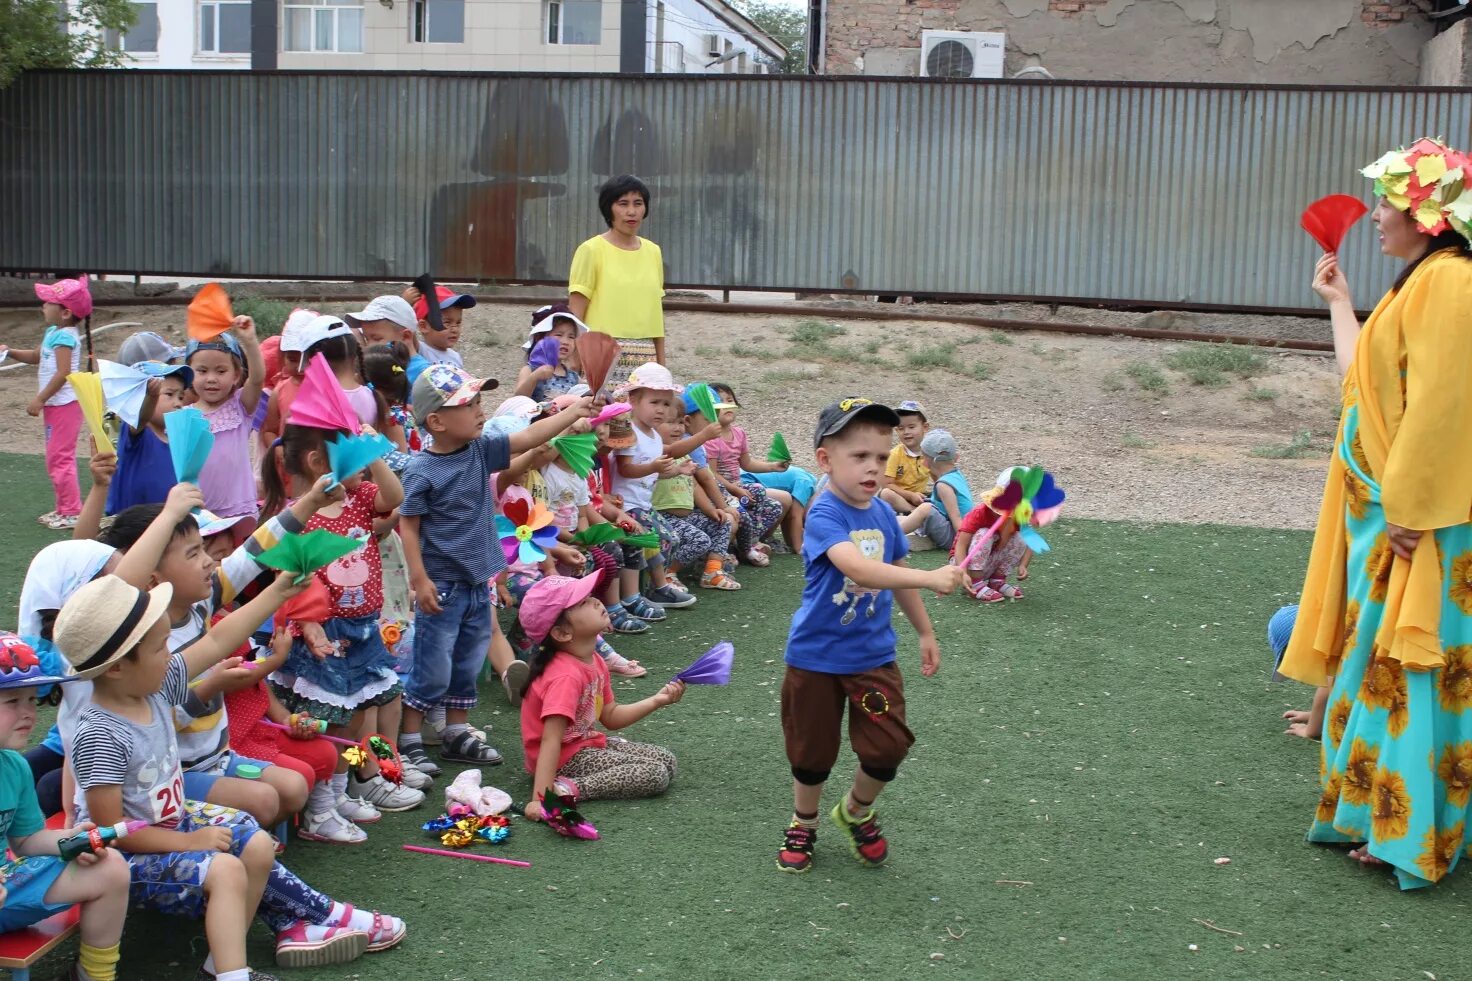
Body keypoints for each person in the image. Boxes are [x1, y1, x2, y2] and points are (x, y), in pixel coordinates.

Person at [1279, 137, 1472, 889]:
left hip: (1420, 521)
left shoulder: (1449, 282)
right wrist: (1340, 303)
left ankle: (1410, 834)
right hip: (1392, 517)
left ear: (1427, 215)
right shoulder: (1420, 280)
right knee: (1381, 663)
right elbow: (1368, 383)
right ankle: (1379, 815)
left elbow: (1444, 406)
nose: (1378, 215)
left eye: (1390, 203)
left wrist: (1415, 508)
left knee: (1412, 668)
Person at [57, 575, 405, 977]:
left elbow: (218, 641)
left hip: (168, 826)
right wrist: (190, 841)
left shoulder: (151, 687)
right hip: (123, 860)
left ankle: (221, 965)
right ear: (117, 668)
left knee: (255, 842)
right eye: (159, 648)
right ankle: (236, 973)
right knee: (225, 867)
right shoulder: (101, 735)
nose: (170, 657)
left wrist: (279, 592)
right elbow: (112, 832)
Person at [776, 399, 966, 874]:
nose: (873, 468)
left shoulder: (882, 514)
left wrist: (924, 630)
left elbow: (895, 568)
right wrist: (930, 577)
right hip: (815, 659)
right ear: (825, 460)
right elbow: (860, 568)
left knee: (888, 747)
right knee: (811, 750)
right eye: (859, 457)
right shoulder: (825, 515)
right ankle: (804, 820)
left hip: (872, 660)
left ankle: (856, 810)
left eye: (881, 458)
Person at [396, 364, 591, 775]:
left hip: (475, 581)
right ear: (436, 421)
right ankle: (409, 738)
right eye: (468, 405)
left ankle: (456, 732)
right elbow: (408, 525)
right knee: (433, 666)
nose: (480, 410)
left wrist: (572, 414)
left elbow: (528, 437)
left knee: (466, 662)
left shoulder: (480, 450)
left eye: (479, 401)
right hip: (443, 584)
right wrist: (419, 578)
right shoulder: (420, 470)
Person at [261, 420, 427, 816]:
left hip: (365, 626)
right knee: (340, 722)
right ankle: (341, 792)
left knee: (371, 706)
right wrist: (312, 626)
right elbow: (294, 581)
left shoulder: (360, 497)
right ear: (319, 463)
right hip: (329, 634)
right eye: (355, 459)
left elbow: (395, 495)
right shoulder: (299, 517)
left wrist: (371, 451)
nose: (365, 469)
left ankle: (379, 772)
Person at [0, 632, 131, 981]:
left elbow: (26, 841)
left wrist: (68, 840)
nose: (29, 712)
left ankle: (93, 975)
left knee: (112, 867)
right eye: (12, 702)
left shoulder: (14, 767)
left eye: (32, 699)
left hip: (8, 888)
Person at [518, 574, 682, 821]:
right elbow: (551, 740)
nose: (596, 601)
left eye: (590, 596)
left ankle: (571, 783)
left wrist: (657, 700)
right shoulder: (565, 677)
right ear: (562, 633)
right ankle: (567, 789)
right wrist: (540, 798)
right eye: (583, 602)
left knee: (666, 760)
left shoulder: (594, 660)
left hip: (586, 745)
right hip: (564, 759)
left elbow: (611, 715)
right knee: (655, 773)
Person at [0, 275, 91, 529]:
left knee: (60, 458)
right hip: (57, 406)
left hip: (65, 406)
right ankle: (64, 509)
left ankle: (72, 511)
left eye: (48, 302)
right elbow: (36, 357)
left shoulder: (66, 338)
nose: (43, 306)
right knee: (55, 458)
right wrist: (9, 352)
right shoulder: (53, 332)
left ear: (65, 313)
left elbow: (63, 373)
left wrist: (40, 399)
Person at [568, 175, 667, 388]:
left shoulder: (653, 252)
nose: (631, 211)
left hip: (645, 357)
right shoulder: (591, 250)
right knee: (601, 418)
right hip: (601, 354)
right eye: (623, 204)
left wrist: (661, 364)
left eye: (638, 204)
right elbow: (576, 311)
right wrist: (577, 358)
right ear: (609, 209)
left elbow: (656, 311)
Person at [612, 362, 694, 615]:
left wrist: (674, 471)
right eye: (654, 402)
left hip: (643, 503)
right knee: (661, 539)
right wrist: (654, 468)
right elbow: (625, 469)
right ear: (634, 400)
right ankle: (648, 590)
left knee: (668, 540)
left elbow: (655, 471)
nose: (661, 410)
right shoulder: (629, 431)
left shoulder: (655, 437)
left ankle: (657, 586)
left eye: (666, 404)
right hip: (626, 504)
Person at [696, 383, 794, 563]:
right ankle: (746, 547)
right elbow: (711, 474)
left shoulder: (739, 433)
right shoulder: (711, 439)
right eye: (720, 402)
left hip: (737, 488)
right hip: (719, 491)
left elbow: (746, 463)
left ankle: (746, 543)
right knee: (749, 502)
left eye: (730, 400)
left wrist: (773, 466)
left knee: (773, 505)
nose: (727, 405)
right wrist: (735, 489)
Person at [184, 319, 266, 522]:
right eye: (202, 371)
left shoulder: (240, 407)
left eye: (221, 371)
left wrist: (250, 341)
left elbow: (257, 379)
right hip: (198, 512)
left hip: (238, 511)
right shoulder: (183, 415)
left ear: (236, 375)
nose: (211, 378)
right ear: (188, 373)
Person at [653, 418, 740, 591]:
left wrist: (712, 510)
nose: (677, 428)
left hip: (685, 516)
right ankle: (668, 572)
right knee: (700, 540)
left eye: (680, 423)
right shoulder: (655, 454)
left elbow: (694, 486)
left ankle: (712, 573)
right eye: (670, 422)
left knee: (722, 523)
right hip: (662, 516)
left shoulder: (683, 456)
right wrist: (704, 435)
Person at [105, 361, 193, 515]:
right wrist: (150, 397)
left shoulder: (176, 440)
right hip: (129, 527)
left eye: (180, 397)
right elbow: (141, 418)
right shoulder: (136, 432)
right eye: (169, 394)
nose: (178, 403)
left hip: (163, 524)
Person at [951, 467, 1033, 603]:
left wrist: (1023, 565)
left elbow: (1030, 542)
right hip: (962, 563)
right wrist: (963, 573)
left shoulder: (1018, 517)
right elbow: (961, 545)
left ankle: (997, 581)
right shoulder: (979, 513)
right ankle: (975, 584)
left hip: (989, 562)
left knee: (1020, 537)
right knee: (985, 533)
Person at [899, 430, 972, 552]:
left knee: (925, 509)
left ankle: (890, 536)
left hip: (956, 537)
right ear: (956, 458)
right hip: (960, 532)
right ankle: (896, 528)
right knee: (902, 519)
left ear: (926, 463)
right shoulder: (956, 475)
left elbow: (956, 517)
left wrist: (963, 546)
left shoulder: (943, 485)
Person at [516, 304, 588, 402]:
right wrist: (534, 378)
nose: (565, 341)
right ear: (540, 338)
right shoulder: (529, 370)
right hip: (541, 417)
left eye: (571, 337)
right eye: (559, 335)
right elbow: (517, 400)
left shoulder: (573, 377)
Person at [880, 400, 931, 515]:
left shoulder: (929, 453)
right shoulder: (895, 454)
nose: (906, 432)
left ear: (925, 427)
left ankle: (920, 513)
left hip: (920, 496)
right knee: (886, 494)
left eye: (911, 427)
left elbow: (939, 475)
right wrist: (910, 495)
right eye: (901, 428)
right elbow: (886, 484)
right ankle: (914, 513)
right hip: (899, 497)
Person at [409, 286, 475, 369]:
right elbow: (405, 329)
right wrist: (405, 304)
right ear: (424, 326)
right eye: (447, 322)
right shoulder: (419, 350)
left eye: (458, 323)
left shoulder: (456, 357)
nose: (455, 329)